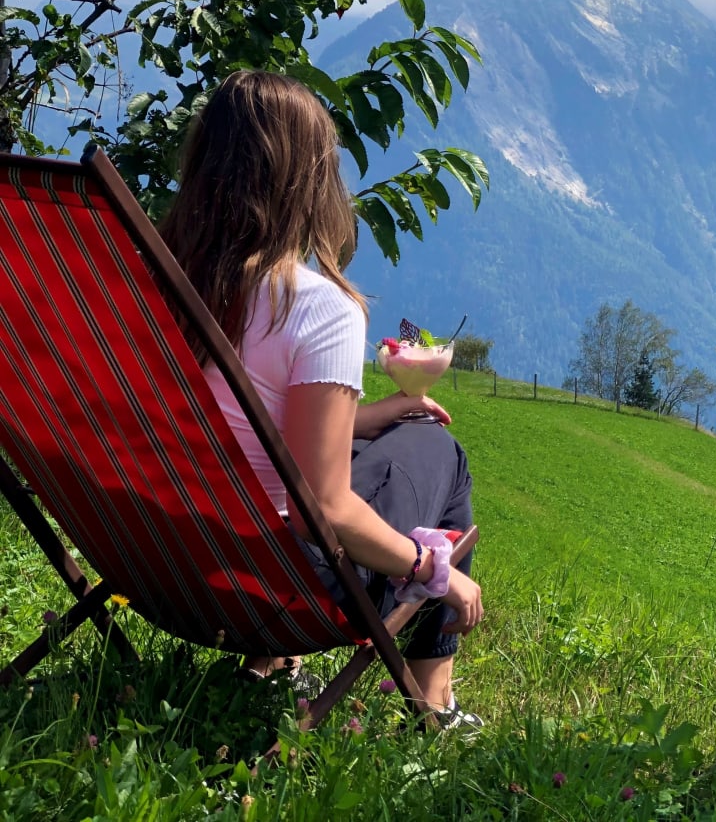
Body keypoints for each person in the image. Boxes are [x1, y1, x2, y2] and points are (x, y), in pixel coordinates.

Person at [157, 69, 484, 722]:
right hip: (274, 587)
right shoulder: (316, 308)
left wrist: (361, 419)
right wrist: (432, 567)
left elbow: (232, 416)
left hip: (160, 559)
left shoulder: (151, 279)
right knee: (441, 452)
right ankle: (433, 701)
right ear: (307, 181)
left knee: (389, 438)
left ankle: (268, 669)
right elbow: (322, 512)